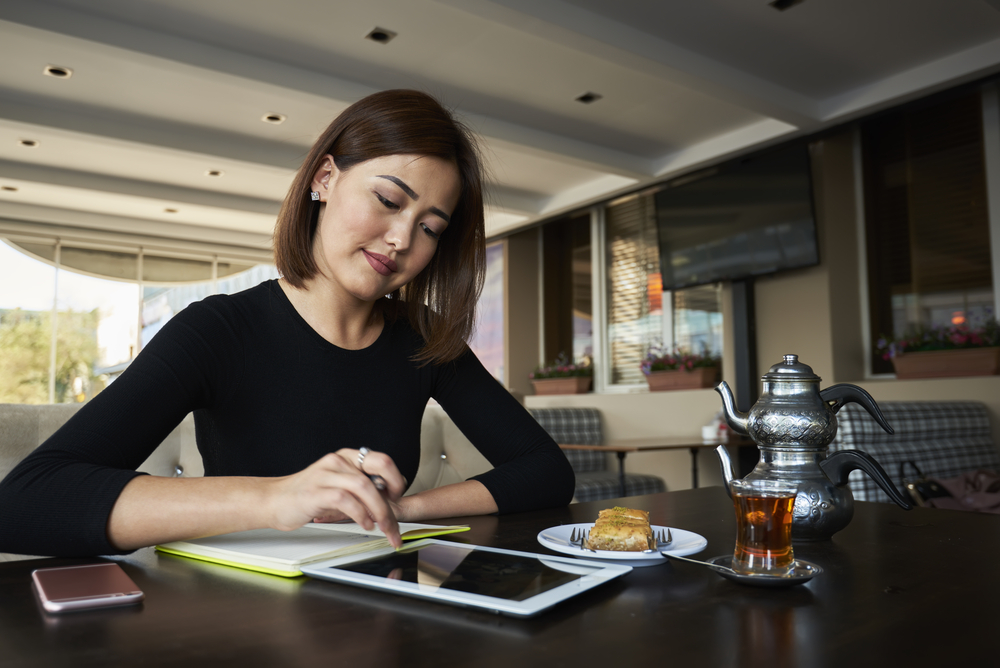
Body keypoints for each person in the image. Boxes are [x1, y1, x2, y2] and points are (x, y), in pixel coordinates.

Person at [0, 90, 575, 557]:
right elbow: (25, 502)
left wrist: (397, 509)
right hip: (242, 616)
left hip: (381, 603)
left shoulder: (423, 337)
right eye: (387, 200)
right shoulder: (218, 330)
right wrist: (279, 498)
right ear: (324, 179)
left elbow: (547, 472)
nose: (402, 239)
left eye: (431, 227)